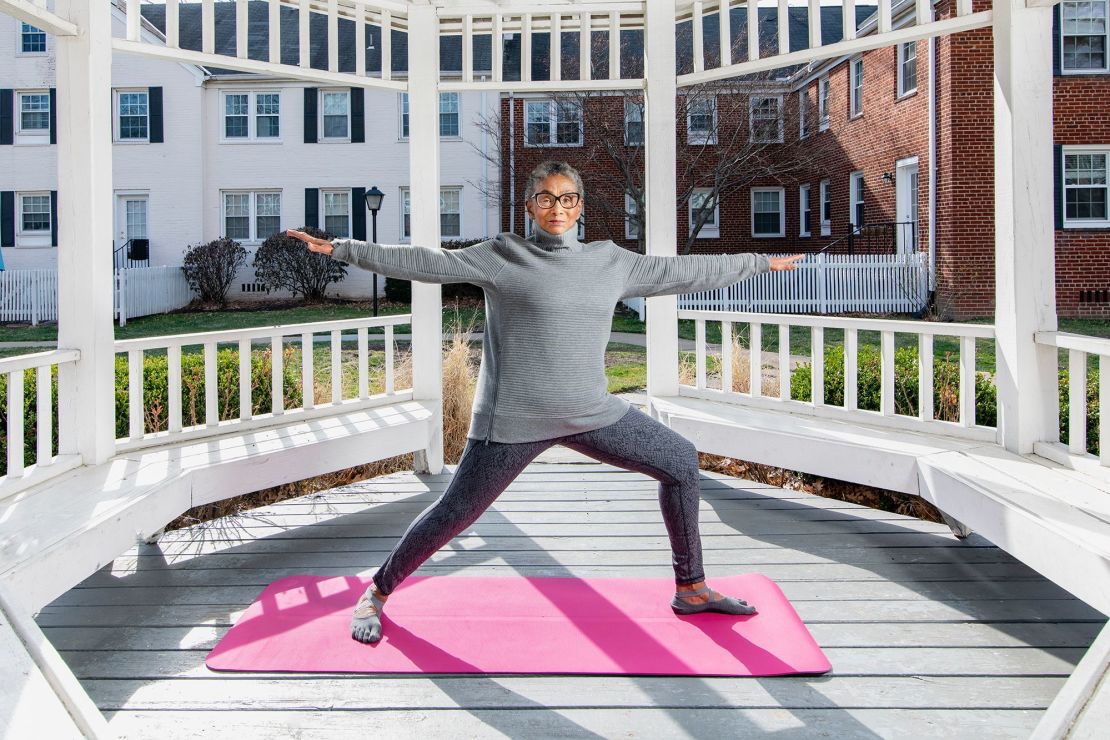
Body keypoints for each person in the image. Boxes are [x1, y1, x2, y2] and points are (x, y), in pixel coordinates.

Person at [286, 160, 804, 644]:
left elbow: (684, 272)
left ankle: (690, 589)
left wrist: (761, 262)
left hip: (592, 412)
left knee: (680, 462)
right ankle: (375, 594)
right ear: (530, 206)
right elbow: (426, 261)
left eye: (568, 199)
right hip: (512, 421)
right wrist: (342, 249)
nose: (557, 208)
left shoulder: (612, 262)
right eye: (546, 198)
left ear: (581, 207)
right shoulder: (502, 255)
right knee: (456, 512)